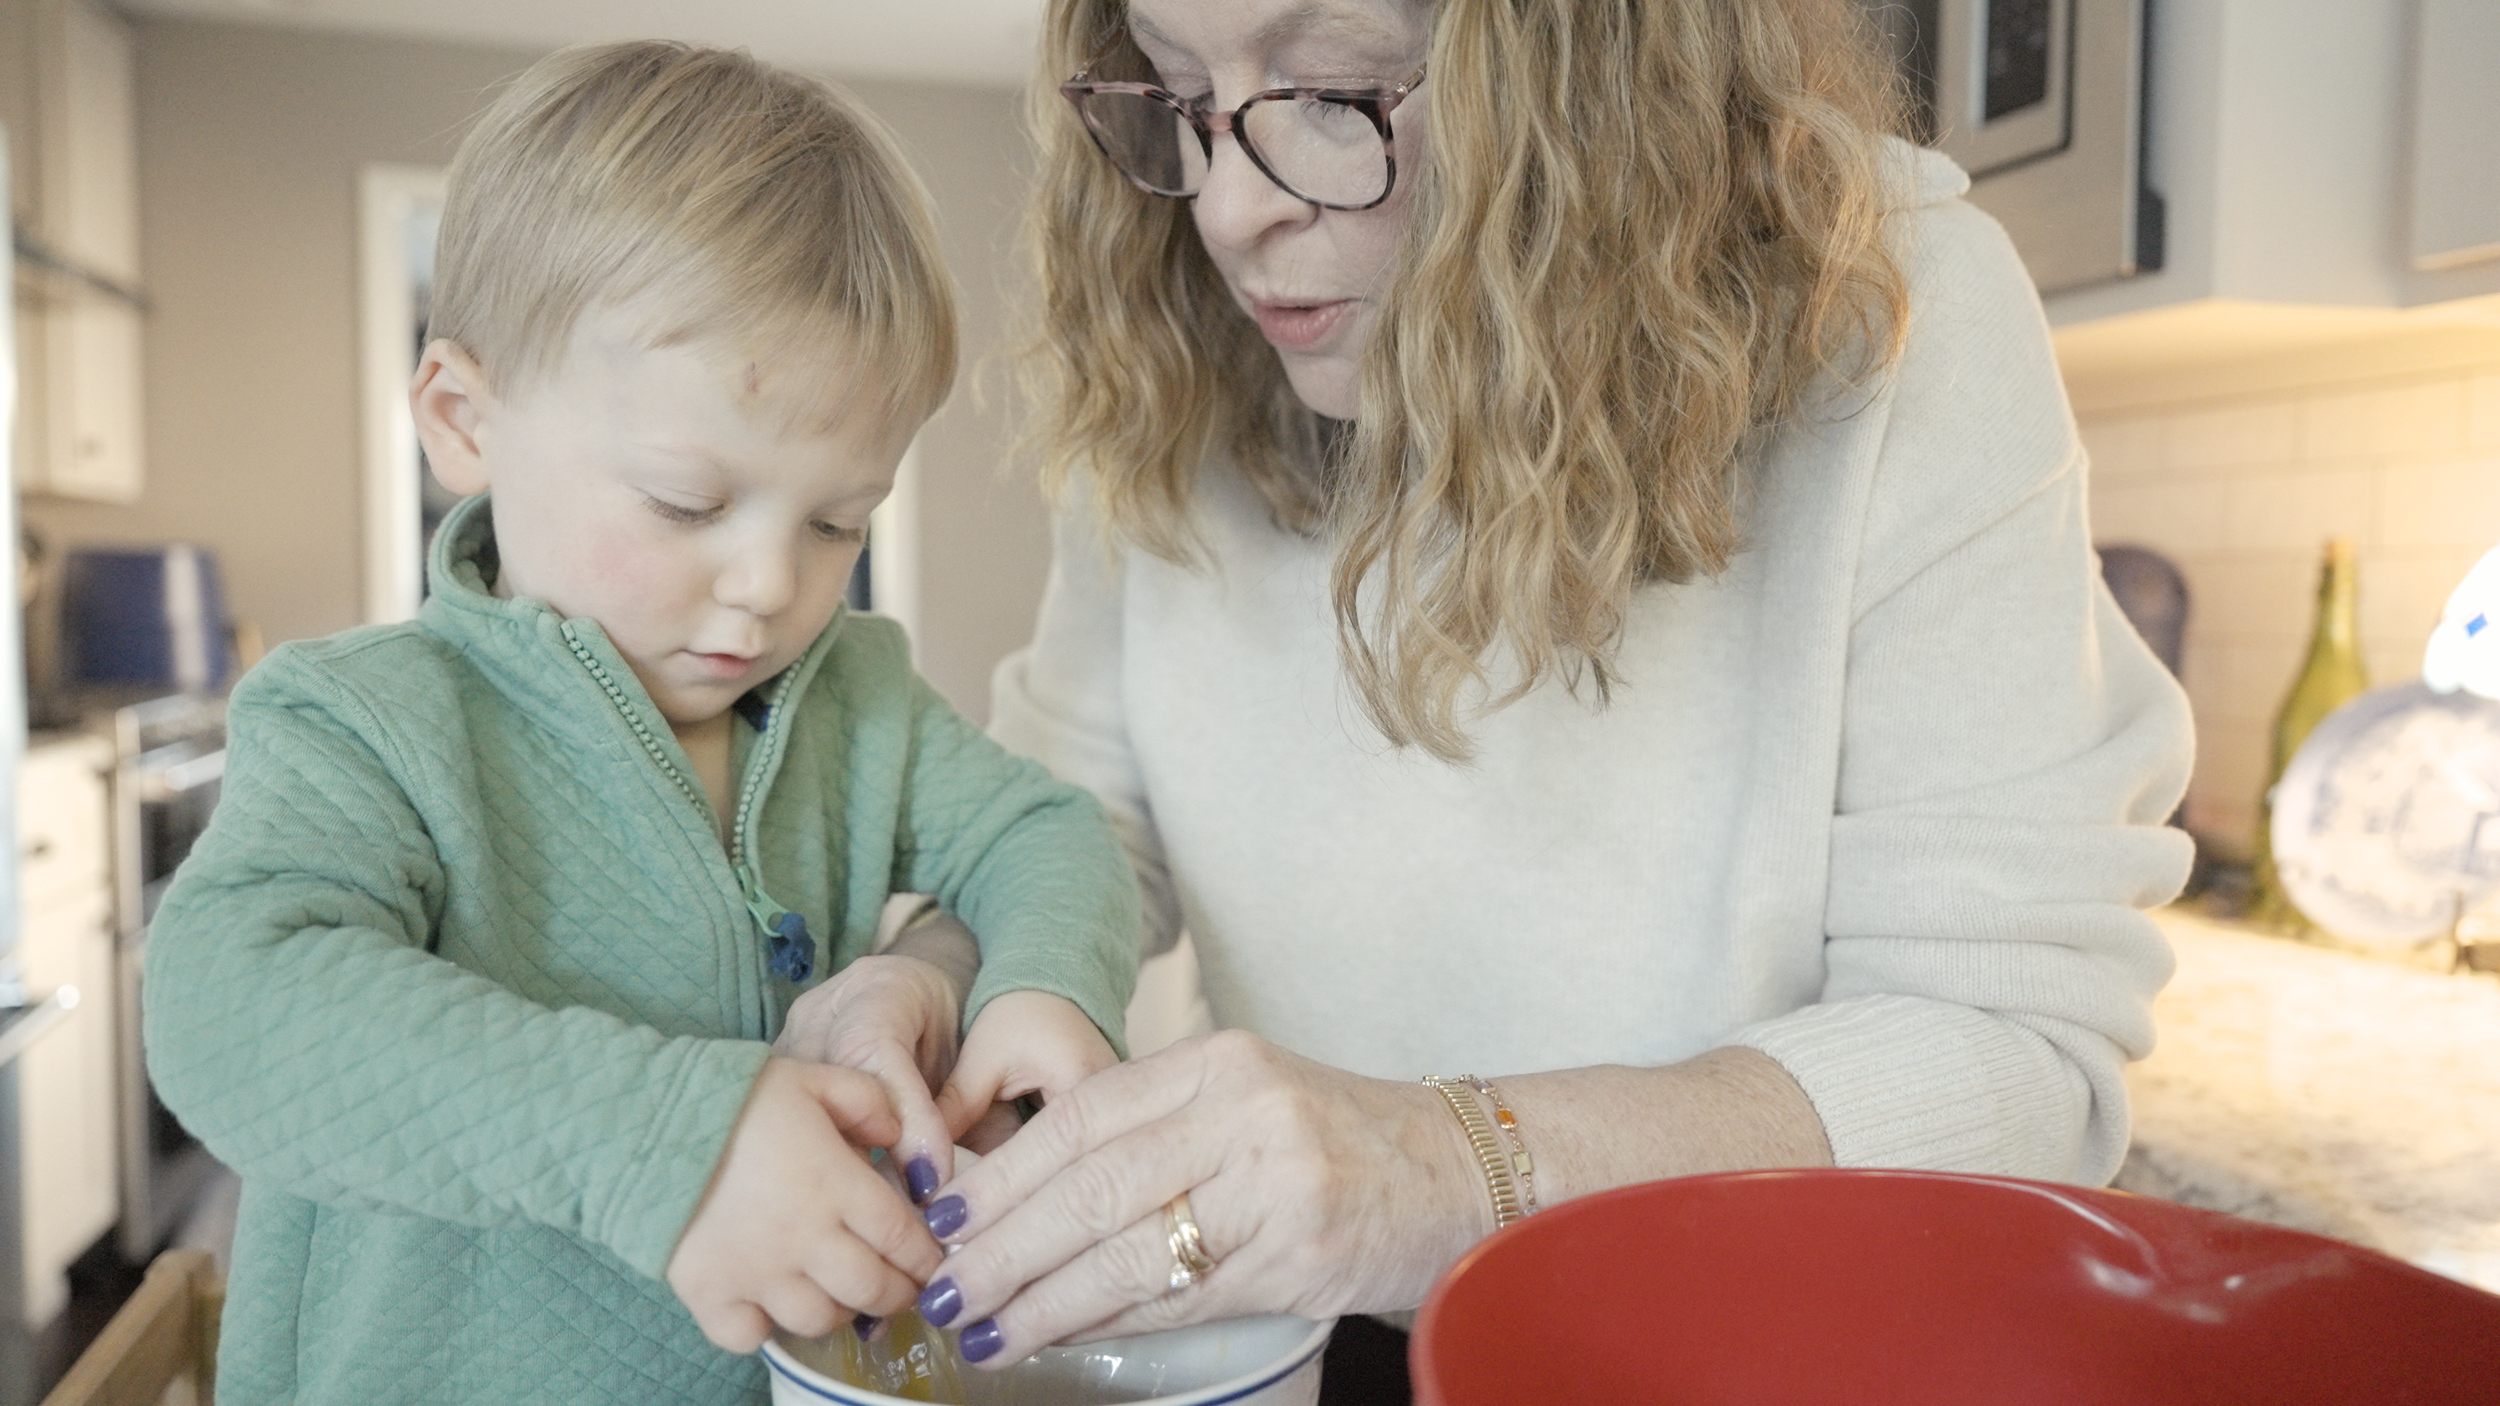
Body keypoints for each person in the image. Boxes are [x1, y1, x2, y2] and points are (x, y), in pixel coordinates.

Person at [897, 0, 2196, 1385]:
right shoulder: (1170, 344)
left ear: (1583, 79)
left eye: (1336, 94)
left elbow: (2016, 1057)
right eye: (1175, 90)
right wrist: (936, 975)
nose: (1223, 211)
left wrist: (1440, 1165)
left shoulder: (1897, 306)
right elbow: (1083, 811)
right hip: (1327, 1332)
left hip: (1753, 1348)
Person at [141, 42, 1139, 1405]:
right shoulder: (369, 720)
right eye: (685, 500)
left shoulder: (855, 701)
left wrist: (1034, 981)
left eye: (839, 520)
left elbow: (1045, 829)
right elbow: (229, 1004)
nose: (771, 583)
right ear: (461, 420)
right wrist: (670, 1140)